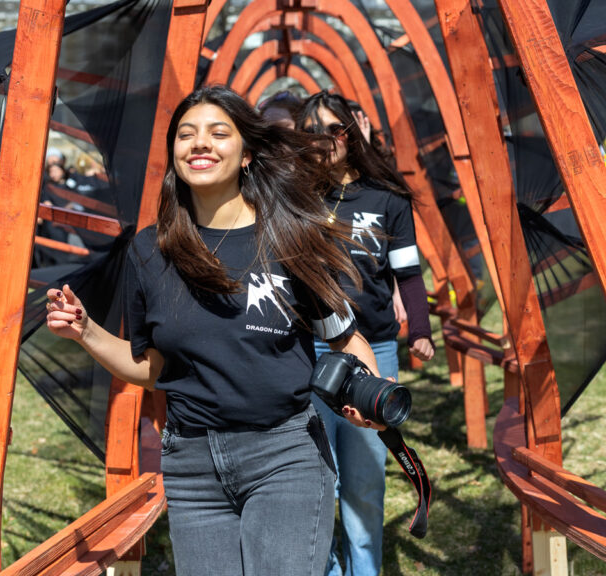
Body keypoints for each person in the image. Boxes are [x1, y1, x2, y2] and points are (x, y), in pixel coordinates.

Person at [46, 84, 382, 576]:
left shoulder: (288, 237)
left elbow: (346, 338)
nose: (199, 143)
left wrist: (369, 400)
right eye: (186, 134)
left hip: (285, 455)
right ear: (174, 153)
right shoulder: (148, 252)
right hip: (191, 464)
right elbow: (153, 367)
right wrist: (85, 331)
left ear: (247, 154)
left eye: (218, 133)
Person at [297, 91, 434, 576]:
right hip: (307, 351)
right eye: (313, 132)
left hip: (374, 350)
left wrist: (419, 327)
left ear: (351, 134)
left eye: (334, 130)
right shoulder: (296, 199)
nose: (325, 141)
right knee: (316, 478)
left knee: (364, 481)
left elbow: (409, 273)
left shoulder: (387, 199)